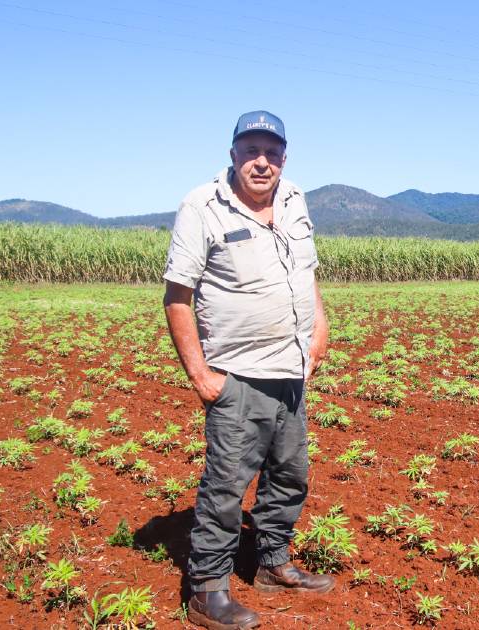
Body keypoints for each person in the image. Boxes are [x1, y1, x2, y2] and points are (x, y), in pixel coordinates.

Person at [162, 110, 332, 630]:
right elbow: (177, 297)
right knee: (226, 487)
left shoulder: (296, 199)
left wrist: (320, 326)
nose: (263, 162)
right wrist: (201, 376)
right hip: (236, 374)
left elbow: (306, 274)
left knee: (290, 475)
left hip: (291, 371)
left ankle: (271, 563)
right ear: (233, 153)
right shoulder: (203, 206)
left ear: (284, 157)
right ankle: (207, 591)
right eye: (251, 150)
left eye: (272, 152)